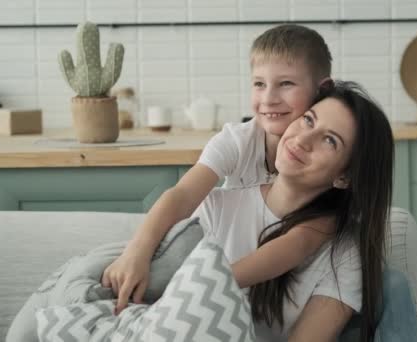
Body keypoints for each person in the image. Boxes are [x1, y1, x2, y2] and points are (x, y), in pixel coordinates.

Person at [102, 24, 334, 314]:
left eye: (286, 84)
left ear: (322, 90)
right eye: (259, 84)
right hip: (212, 257)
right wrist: (136, 252)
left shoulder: (329, 163)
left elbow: (303, 242)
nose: (269, 98)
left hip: (253, 279)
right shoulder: (238, 140)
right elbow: (183, 195)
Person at [192, 81, 397, 341]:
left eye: (330, 140)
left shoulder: (343, 254)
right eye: (309, 120)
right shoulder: (215, 208)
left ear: (344, 177)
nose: (303, 139)